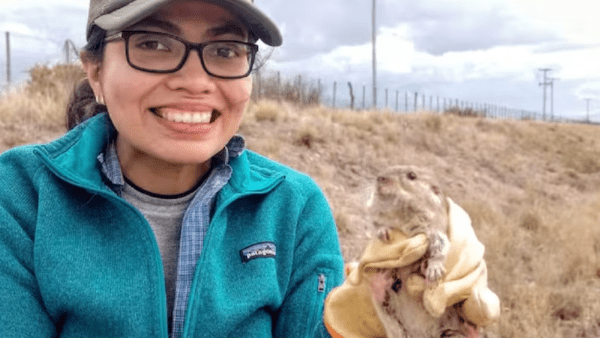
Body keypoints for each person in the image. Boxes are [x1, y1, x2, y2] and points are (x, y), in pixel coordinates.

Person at [0, 0, 344, 337]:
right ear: (96, 71)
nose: (195, 82)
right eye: (153, 44)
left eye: (224, 50)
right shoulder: (20, 197)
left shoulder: (295, 209)